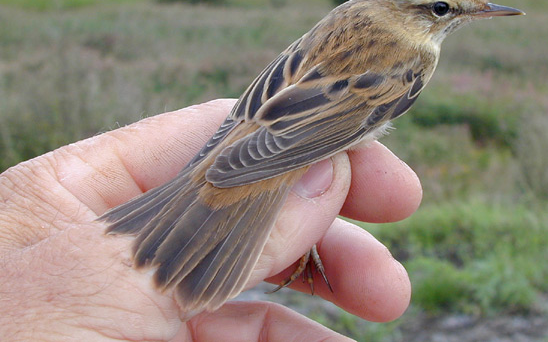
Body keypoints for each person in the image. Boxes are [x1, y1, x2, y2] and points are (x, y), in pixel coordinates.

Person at [0, 99, 422, 341]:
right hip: (304, 134)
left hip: (253, 115)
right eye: (440, 10)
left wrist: (234, 150)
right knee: (288, 185)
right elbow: (340, 121)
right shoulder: (414, 60)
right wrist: (273, 161)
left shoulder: (341, 22)